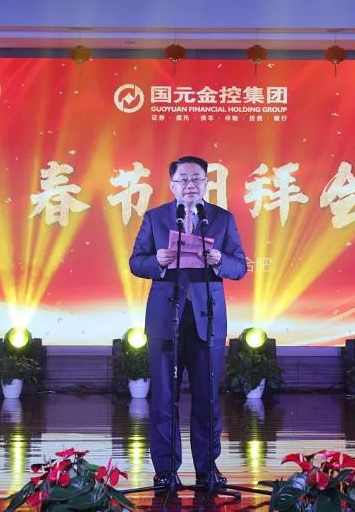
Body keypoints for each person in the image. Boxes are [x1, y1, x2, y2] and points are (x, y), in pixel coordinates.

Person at [129, 155, 247, 489]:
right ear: (172, 185)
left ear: (207, 183)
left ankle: (207, 469)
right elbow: (136, 262)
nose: (190, 185)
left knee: (207, 399)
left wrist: (220, 260)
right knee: (164, 399)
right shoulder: (156, 218)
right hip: (165, 319)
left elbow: (240, 266)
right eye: (183, 179)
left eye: (196, 179)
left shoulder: (222, 219)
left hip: (206, 319)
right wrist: (157, 261)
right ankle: (166, 471)